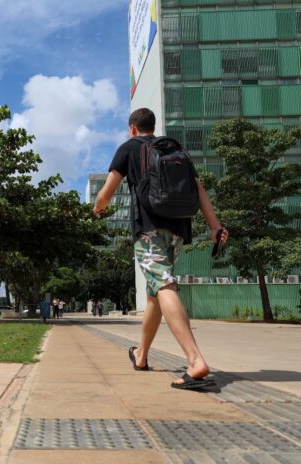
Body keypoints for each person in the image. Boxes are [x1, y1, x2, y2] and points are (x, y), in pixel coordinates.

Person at [93, 108, 228, 390]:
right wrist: (215, 226)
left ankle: (195, 361)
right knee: (155, 292)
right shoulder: (172, 149)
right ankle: (141, 354)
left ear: (132, 128)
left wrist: (98, 207)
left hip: (149, 228)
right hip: (177, 230)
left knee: (164, 285)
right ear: (152, 127)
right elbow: (199, 189)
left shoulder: (129, 147)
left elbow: (108, 190)